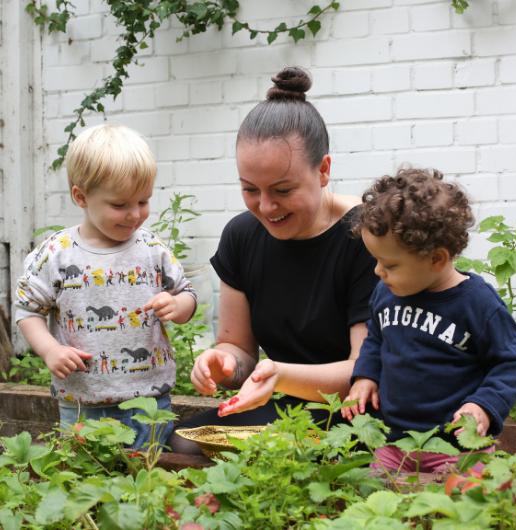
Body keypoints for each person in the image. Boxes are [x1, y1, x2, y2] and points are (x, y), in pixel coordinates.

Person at [174, 66, 379, 452]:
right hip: (284, 405)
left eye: (282, 190)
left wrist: (278, 375)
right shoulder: (241, 236)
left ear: (323, 171)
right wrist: (224, 362)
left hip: (354, 411)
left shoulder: (365, 235)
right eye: (250, 189)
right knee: (185, 442)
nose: (266, 207)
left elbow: (362, 369)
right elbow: (239, 349)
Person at [15, 124, 197, 450]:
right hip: (83, 404)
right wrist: (49, 349)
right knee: (90, 483)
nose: (135, 214)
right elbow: (28, 310)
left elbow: (187, 293)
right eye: (120, 205)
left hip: (150, 404)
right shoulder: (56, 254)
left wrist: (180, 306)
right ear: (81, 196)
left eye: (143, 201)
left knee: (147, 484)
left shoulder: (152, 249)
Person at [343, 167, 516, 472]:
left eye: (389, 263)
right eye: (375, 260)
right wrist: (366, 376)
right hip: (395, 443)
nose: (378, 271)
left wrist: (483, 405)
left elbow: (512, 361)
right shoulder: (385, 293)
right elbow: (376, 338)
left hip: (457, 445)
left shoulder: (477, 303)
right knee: (377, 495)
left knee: (466, 504)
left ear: (436, 259)